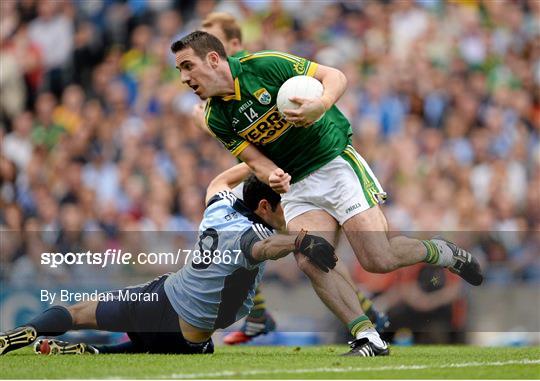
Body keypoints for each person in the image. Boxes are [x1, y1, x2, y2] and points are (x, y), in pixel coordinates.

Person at [170, 31, 483, 356]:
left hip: (334, 163)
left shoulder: (264, 65)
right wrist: (272, 175)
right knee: (310, 255)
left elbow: (335, 76)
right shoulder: (215, 115)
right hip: (297, 185)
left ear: (213, 59)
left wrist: (320, 104)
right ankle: (367, 337)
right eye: (180, 70)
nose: (184, 77)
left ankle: (441, 251)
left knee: (378, 259)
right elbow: (253, 160)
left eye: (187, 66)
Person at [194, 12, 388, 347]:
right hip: (270, 169)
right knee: (259, 237)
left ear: (233, 45)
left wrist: (268, 167)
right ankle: (263, 314)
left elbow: (273, 143)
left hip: (295, 168)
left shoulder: (263, 71)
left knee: (256, 233)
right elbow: (247, 149)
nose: (204, 52)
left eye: (212, 40)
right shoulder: (217, 103)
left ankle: (262, 315)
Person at [0, 163, 337, 356]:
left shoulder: (218, 206)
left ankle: (19, 334)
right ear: (264, 207)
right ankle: (94, 353)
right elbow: (263, 249)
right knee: (157, 347)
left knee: (77, 314)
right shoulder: (255, 236)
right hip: (188, 337)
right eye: (284, 203)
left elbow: (220, 181)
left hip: (158, 303)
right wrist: (300, 241)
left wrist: (260, 163)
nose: (288, 210)